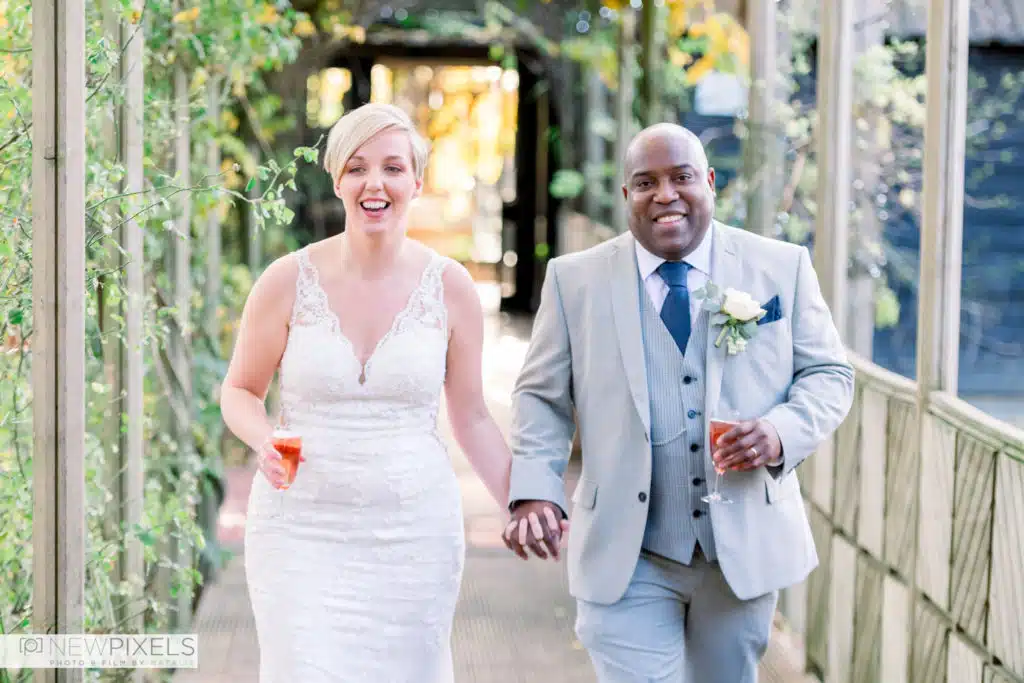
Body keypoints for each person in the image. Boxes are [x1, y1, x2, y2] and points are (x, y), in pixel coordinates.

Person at [503, 122, 854, 682]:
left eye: (681, 177)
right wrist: (535, 492)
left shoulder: (780, 267)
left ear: (709, 182)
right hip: (625, 552)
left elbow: (830, 373)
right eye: (645, 182)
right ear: (626, 197)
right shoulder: (575, 281)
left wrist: (781, 431)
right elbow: (541, 397)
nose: (664, 195)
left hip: (739, 549)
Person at [220, 102, 516, 682]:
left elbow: (474, 418)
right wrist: (264, 438)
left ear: (416, 181)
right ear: (337, 180)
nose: (374, 183)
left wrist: (528, 501)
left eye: (392, 168)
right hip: (298, 531)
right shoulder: (286, 280)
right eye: (356, 168)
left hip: (413, 535)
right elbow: (238, 391)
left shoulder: (451, 288)